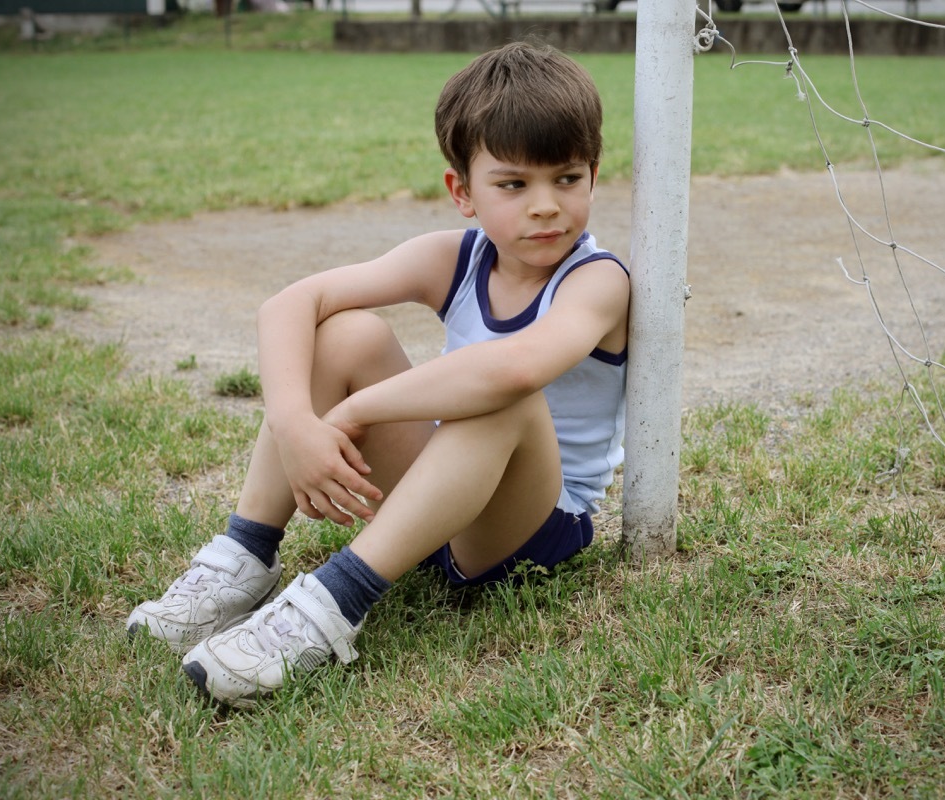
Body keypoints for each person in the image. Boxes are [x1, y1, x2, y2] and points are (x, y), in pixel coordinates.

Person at [126, 40, 630, 708]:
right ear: (463, 192)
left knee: (505, 398)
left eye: (566, 178)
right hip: (439, 505)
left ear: (593, 175)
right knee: (344, 334)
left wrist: (355, 414)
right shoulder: (456, 258)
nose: (545, 205)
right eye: (513, 183)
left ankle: (330, 604)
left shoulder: (599, 280)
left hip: (529, 528)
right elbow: (289, 303)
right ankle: (242, 558)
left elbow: (517, 366)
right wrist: (295, 423)